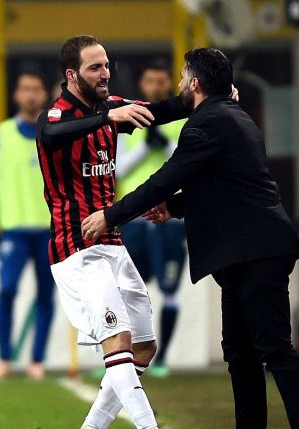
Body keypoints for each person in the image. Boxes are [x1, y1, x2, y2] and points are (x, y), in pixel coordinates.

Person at [81, 48, 299, 429]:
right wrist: (174, 209)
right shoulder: (232, 117)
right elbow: (221, 184)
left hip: (257, 251)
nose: (179, 85)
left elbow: (168, 176)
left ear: (195, 83)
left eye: (182, 77)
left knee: (274, 349)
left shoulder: (208, 123)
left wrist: (111, 214)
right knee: (240, 352)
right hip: (246, 251)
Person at [35, 35, 202, 429]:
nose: (105, 73)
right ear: (72, 75)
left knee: (144, 346)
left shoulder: (111, 108)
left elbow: (163, 110)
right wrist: (109, 116)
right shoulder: (58, 115)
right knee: (120, 341)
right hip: (75, 249)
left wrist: (206, 95)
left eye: (106, 65)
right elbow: (51, 133)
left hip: (111, 243)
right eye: (94, 68)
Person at [0, 70, 56, 381]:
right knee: (7, 290)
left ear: (44, 94)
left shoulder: (53, 132)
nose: (31, 95)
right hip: (13, 229)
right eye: (25, 89)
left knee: (45, 296)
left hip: (49, 229)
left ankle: (37, 360)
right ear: (16, 94)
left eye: (36, 88)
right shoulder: (2, 134)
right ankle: (4, 358)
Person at [115, 59, 187, 377]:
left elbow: (190, 161)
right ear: (142, 84)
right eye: (150, 80)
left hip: (170, 215)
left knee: (170, 286)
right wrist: (146, 148)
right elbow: (117, 170)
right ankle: (125, 357)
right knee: (129, 289)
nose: (156, 86)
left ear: (169, 83)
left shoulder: (183, 119)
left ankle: (163, 358)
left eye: (162, 80)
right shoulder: (127, 119)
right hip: (134, 217)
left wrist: (166, 144)